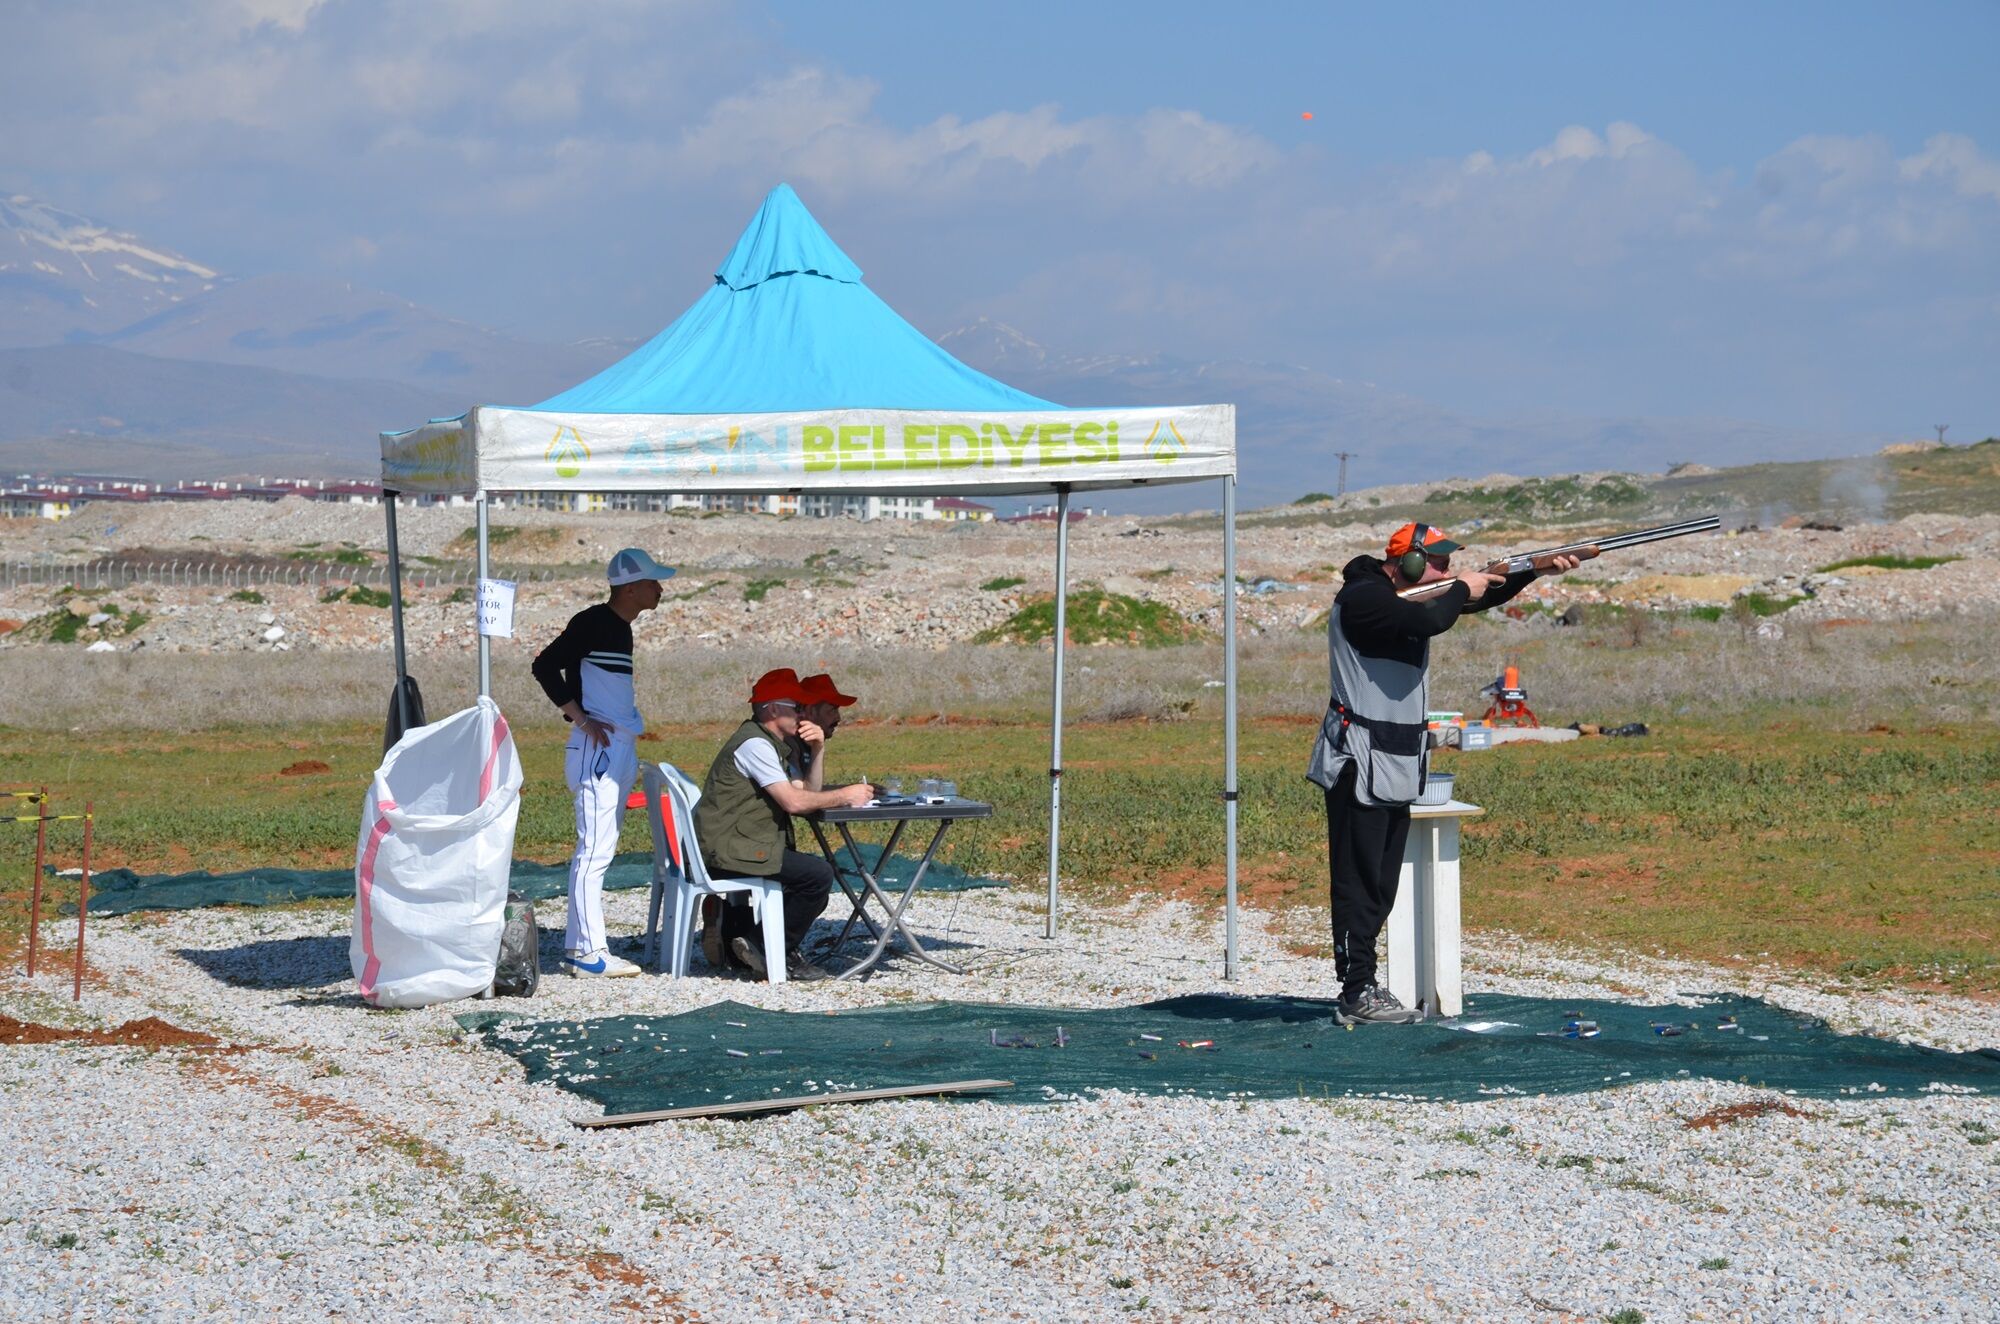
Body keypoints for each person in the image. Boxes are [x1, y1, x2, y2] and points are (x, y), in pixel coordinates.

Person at [1306, 522, 1577, 1022]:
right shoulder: (1363, 597)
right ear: (1408, 562)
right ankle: (1356, 992)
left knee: (1382, 883)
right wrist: (1461, 587)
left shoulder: (1408, 596)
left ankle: (1363, 989)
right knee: (1357, 881)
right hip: (1358, 761)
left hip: (1393, 759)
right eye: (1438, 561)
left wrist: (1529, 572)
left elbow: (1464, 601)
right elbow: (1435, 618)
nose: (1448, 570)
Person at [531, 547, 674, 978]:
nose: (660, 588)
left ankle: (583, 946)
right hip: (598, 748)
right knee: (593, 851)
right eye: (652, 582)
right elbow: (543, 666)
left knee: (600, 849)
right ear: (631, 588)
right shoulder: (593, 621)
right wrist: (581, 718)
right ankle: (588, 953)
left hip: (615, 746)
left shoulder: (620, 628)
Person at [694, 669, 873, 981]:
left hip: (735, 842)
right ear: (773, 709)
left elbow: (808, 792)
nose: (802, 713)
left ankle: (737, 933)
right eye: (797, 706)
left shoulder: (769, 742)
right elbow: (793, 802)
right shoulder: (756, 745)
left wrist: (818, 750)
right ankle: (768, 947)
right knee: (816, 876)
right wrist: (844, 795)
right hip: (728, 849)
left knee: (809, 875)